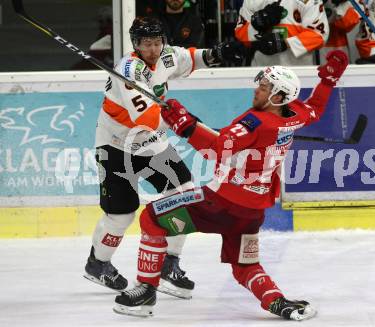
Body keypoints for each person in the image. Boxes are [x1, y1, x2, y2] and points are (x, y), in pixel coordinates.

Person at [112, 50, 349, 320]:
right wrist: (328, 81)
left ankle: (145, 290)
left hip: (220, 204)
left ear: (279, 97)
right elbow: (315, 108)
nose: (257, 91)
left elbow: (216, 148)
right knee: (244, 264)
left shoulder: (256, 123)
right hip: (251, 213)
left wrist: (184, 125)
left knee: (151, 218)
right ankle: (276, 300)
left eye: (265, 88)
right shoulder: (293, 115)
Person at [83, 15, 245, 299]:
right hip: (116, 145)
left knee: (183, 194)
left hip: (152, 144)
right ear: (136, 44)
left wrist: (217, 53)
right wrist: (184, 123)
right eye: (146, 44)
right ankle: (98, 263)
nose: (153, 49)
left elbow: (191, 58)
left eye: (157, 42)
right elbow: (145, 117)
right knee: (121, 215)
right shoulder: (129, 71)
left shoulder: (167, 55)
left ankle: (170, 263)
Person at [235, 0, 330, 66]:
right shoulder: (252, 1)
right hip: (261, 70)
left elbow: (319, 35)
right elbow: (240, 33)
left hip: (298, 71)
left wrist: (286, 43)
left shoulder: (310, 1)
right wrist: (257, 25)